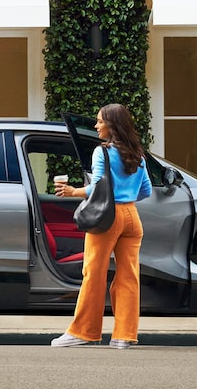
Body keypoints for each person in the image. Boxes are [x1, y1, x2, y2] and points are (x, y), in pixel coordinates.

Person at [51, 103, 152, 349]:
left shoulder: (102, 152)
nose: (96, 126)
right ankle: (124, 336)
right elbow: (146, 190)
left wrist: (73, 191)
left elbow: (97, 186)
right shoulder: (138, 153)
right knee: (129, 277)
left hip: (107, 218)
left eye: (99, 121)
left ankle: (84, 332)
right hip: (132, 217)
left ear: (112, 125)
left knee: (93, 274)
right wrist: (124, 197)